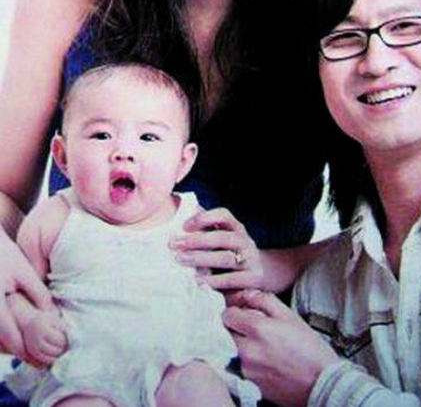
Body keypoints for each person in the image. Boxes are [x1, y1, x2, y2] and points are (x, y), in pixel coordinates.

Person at [0, 0, 352, 372]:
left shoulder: (334, 6)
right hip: (81, 343)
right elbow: (6, 192)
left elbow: (389, 242)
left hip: (247, 355)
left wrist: (274, 266)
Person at [223, 0, 421, 406]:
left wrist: (322, 384)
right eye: (343, 38)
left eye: (406, 27)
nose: (376, 62)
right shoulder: (323, 291)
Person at [5, 62, 260, 407]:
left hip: (177, 359)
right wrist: (31, 321)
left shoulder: (192, 219)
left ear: (182, 162)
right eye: (101, 135)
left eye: (148, 137)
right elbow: (18, 291)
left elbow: (226, 287)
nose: (123, 151)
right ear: (63, 156)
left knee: (198, 388)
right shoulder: (53, 220)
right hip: (84, 368)